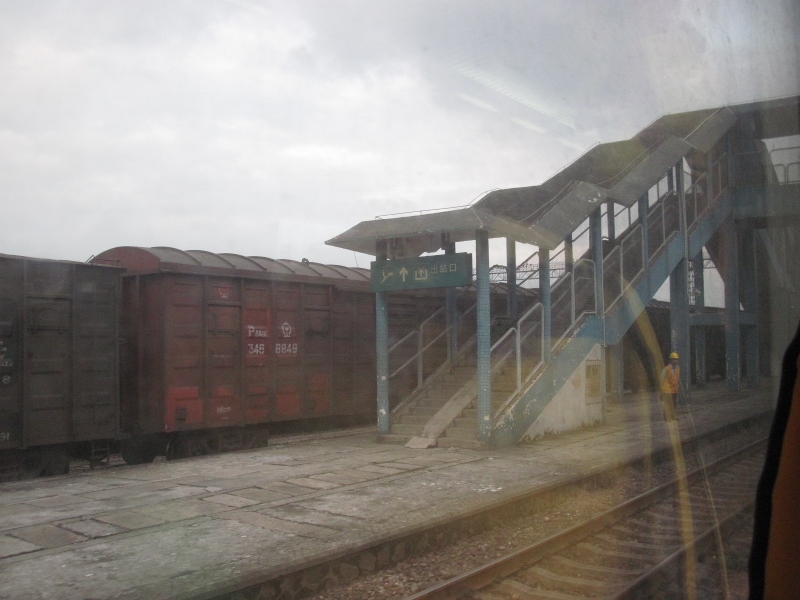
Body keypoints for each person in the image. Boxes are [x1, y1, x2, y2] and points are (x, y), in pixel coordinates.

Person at [660, 351, 680, 421]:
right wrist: (662, 390)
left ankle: (673, 416)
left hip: (674, 389)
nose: (676, 361)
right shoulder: (666, 369)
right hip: (667, 390)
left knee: (674, 404)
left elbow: (677, 378)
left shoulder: (678, 368)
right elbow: (662, 379)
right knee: (667, 404)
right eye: (674, 359)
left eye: (676, 359)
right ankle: (667, 417)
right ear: (670, 360)